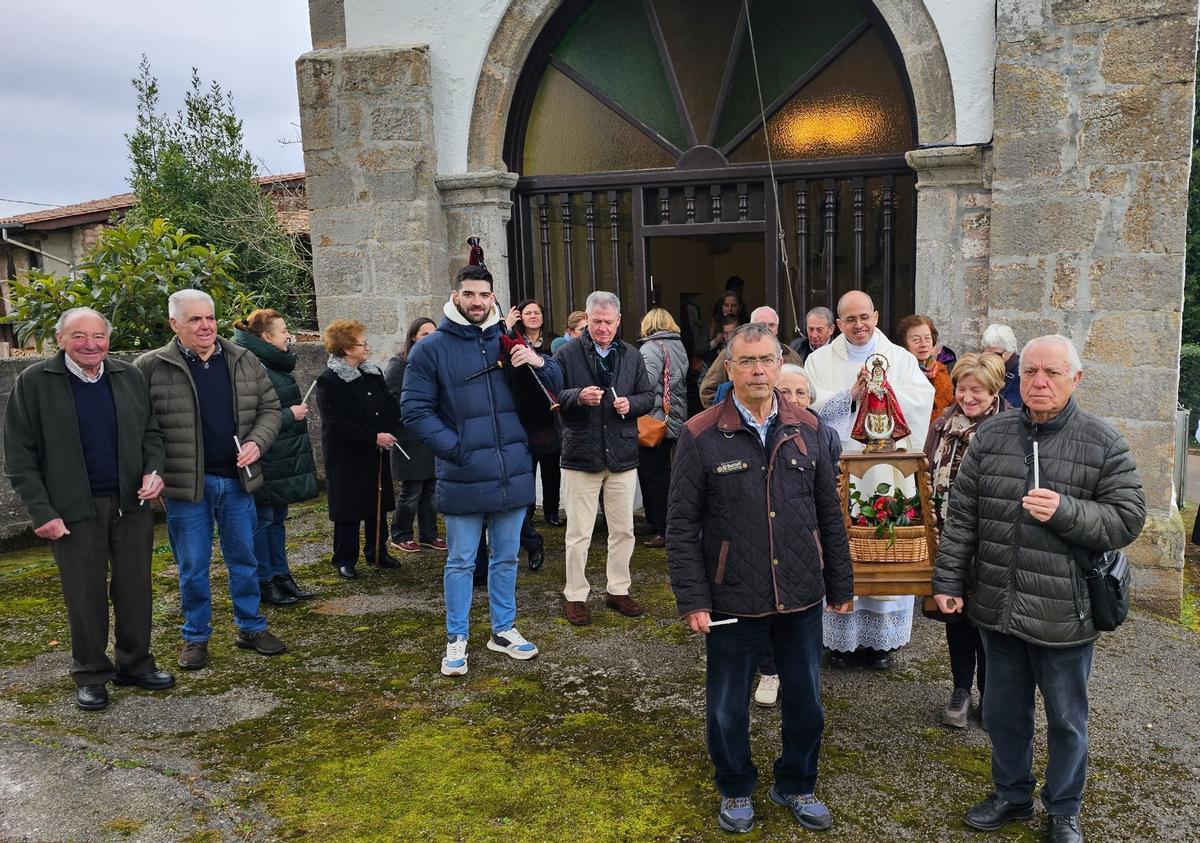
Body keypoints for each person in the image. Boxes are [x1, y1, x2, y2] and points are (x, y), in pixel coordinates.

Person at [933, 335, 1145, 843]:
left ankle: (1063, 808)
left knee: (1067, 722)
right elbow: (962, 515)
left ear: (1076, 378)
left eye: (1051, 373)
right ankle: (1012, 795)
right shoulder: (992, 435)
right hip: (997, 605)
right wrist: (947, 579)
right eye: (1029, 373)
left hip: (1063, 613)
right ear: (1016, 377)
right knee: (1004, 715)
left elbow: (1128, 517)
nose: (1039, 382)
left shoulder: (1103, 442)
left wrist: (1068, 511)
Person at [667, 323, 854, 834]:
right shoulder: (701, 434)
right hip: (732, 595)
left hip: (799, 592)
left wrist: (840, 581)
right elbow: (681, 524)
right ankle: (735, 786)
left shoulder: (809, 428)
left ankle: (797, 782)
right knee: (728, 706)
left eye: (766, 360)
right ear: (729, 368)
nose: (757, 371)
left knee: (806, 701)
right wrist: (692, 598)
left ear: (780, 365)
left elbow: (828, 513)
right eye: (746, 361)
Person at [4, 307, 172, 710]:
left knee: (135, 588)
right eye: (79, 336)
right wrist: (41, 511)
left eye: (98, 336)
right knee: (85, 594)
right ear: (60, 339)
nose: (90, 345)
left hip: (130, 503)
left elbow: (152, 434)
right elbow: (19, 456)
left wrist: (154, 471)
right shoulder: (34, 383)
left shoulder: (127, 375)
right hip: (72, 508)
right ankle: (91, 672)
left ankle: (135, 664)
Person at [403, 264, 562, 675]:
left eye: (484, 295)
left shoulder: (509, 342)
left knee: (506, 557)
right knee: (460, 561)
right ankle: (457, 637)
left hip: (511, 468)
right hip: (464, 472)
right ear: (455, 295)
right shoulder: (431, 349)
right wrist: (455, 449)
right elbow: (414, 411)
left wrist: (538, 363)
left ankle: (502, 629)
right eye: (469, 294)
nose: (477, 302)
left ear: (494, 298)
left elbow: (555, 389)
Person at [136, 290, 285, 669]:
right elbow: (137, 428)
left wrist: (256, 442)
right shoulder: (150, 367)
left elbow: (270, 409)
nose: (205, 326)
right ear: (174, 324)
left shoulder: (242, 359)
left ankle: (250, 627)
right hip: (187, 486)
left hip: (237, 481)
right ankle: (196, 636)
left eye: (210, 318)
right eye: (194, 319)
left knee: (245, 560)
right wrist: (151, 474)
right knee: (192, 566)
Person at [805, 291, 934, 670]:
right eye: (849, 319)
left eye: (864, 317)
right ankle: (839, 641)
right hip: (838, 470)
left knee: (884, 543)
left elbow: (921, 400)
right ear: (838, 324)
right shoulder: (819, 360)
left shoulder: (901, 359)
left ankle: (881, 644)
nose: (858, 325)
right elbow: (806, 407)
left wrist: (882, 394)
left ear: (876, 316)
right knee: (841, 543)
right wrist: (850, 396)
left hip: (887, 471)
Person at [555, 290, 654, 626]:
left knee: (624, 529)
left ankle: (618, 588)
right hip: (581, 453)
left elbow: (648, 396)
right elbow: (553, 398)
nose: (601, 328)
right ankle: (575, 594)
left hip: (622, 452)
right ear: (587, 319)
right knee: (579, 532)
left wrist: (632, 404)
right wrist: (577, 396)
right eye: (596, 321)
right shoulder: (567, 353)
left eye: (608, 322)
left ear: (618, 321)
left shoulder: (631, 354)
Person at [921, 353, 1009, 729]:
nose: (967, 396)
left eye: (977, 390)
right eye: (961, 388)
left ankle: (992, 695)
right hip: (949, 540)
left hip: (992, 543)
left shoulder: (1010, 429)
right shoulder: (943, 423)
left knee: (988, 624)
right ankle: (960, 691)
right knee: (955, 618)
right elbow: (925, 471)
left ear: (995, 390)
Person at [752, 363, 842, 709]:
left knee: (802, 614)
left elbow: (830, 490)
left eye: (800, 393)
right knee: (768, 609)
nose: (793, 399)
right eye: (785, 392)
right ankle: (769, 670)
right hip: (770, 534)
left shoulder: (822, 432)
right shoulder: (766, 430)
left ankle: (800, 676)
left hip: (807, 537)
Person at [233, 309, 318, 606]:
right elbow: (249, 416)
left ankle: (282, 576)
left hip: (281, 455)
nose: (289, 336)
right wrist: (289, 415)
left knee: (277, 519)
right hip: (265, 455)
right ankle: (264, 581)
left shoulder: (271, 363)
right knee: (264, 520)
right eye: (283, 331)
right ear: (266, 337)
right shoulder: (252, 365)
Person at [316, 320, 402, 579]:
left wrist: (387, 432)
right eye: (360, 343)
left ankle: (377, 550)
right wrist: (372, 436)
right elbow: (337, 423)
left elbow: (389, 404)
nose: (367, 346)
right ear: (344, 348)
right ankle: (344, 557)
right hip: (347, 455)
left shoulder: (372, 373)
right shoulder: (329, 380)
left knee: (377, 501)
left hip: (375, 450)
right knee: (348, 508)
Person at [385, 318, 445, 553]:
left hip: (431, 435)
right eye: (424, 334)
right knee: (412, 491)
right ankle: (401, 534)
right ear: (413, 337)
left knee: (431, 490)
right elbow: (393, 401)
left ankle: (429, 534)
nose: (430, 338)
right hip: (409, 437)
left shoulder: (436, 363)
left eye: (433, 333)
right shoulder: (399, 365)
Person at [506, 299, 562, 526]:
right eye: (527, 312)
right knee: (526, 470)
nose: (532, 316)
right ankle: (527, 512)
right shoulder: (513, 340)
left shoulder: (553, 342)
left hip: (548, 412)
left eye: (536, 312)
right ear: (520, 317)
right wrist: (507, 328)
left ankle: (552, 512)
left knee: (551, 469)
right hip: (523, 413)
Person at [636, 307, 687, 548]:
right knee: (662, 473)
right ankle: (655, 522)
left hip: (653, 420)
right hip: (672, 416)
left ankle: (663, 528)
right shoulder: (678, 346)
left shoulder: (650, 348)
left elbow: (645, 383)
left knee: (654, 475)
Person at [700, 306, 804, 408]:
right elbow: (708, 391)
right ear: (750, 326)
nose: (766, 329)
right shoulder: (732, 353)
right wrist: (726, 414)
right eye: (761, 325)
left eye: (771, 325)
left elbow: (803, 390)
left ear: (777, 329)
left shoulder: (792, 356)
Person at [897, 314, 954, 423]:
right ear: (905, 345)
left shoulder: (941, 372)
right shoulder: (899, 374)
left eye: (927, 338)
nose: (923, 344)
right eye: (916, 340)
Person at [982, 323, 1022, 409]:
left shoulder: (1021, 375)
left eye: (996, 355)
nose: (990, 359)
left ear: (1010, 351)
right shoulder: (979, 366)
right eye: (986, 354)